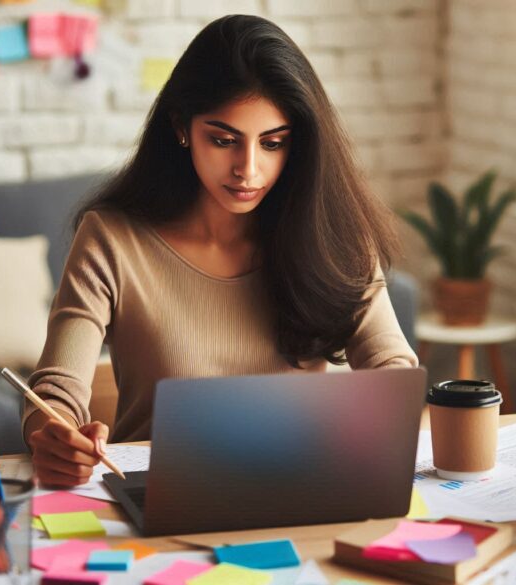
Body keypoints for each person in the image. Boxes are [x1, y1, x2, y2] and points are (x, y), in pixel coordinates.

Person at [23, 14, 418, 488]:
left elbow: (392, 366)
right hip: (159, 499)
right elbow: (57, 390)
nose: (247, 170)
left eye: (272, 144)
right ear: (181, 127)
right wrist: (55, 435)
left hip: (304, 491)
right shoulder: (111, 238)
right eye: (224, 140)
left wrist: (381, 413)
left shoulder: (333, 234)